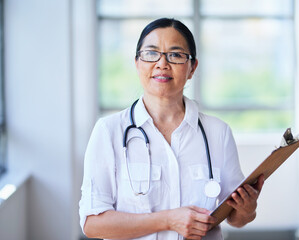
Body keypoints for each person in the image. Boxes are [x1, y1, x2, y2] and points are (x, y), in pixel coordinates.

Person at [79, 18, 264, 240]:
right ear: (137, 62)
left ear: (192, 67)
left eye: (175, 55)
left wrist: (247, 210)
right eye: (151, 53)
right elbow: (92, 223)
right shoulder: (109, 132)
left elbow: (235, 217)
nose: (162, 63)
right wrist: (167, 220)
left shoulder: (218, 133)